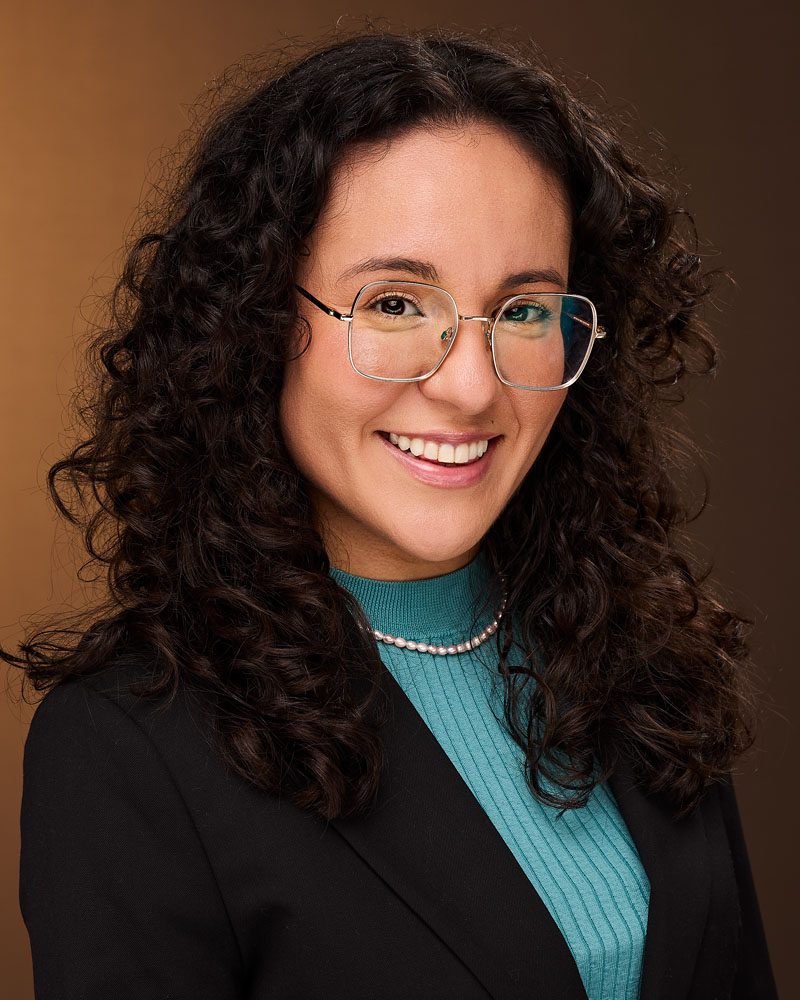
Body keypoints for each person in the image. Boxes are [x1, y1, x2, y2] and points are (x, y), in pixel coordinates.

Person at [5, 24, 777, 1000]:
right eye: (396, 304)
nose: (467, 387)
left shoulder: (633, 656)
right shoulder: (128, 747)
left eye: (524, 310)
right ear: (255, 323)